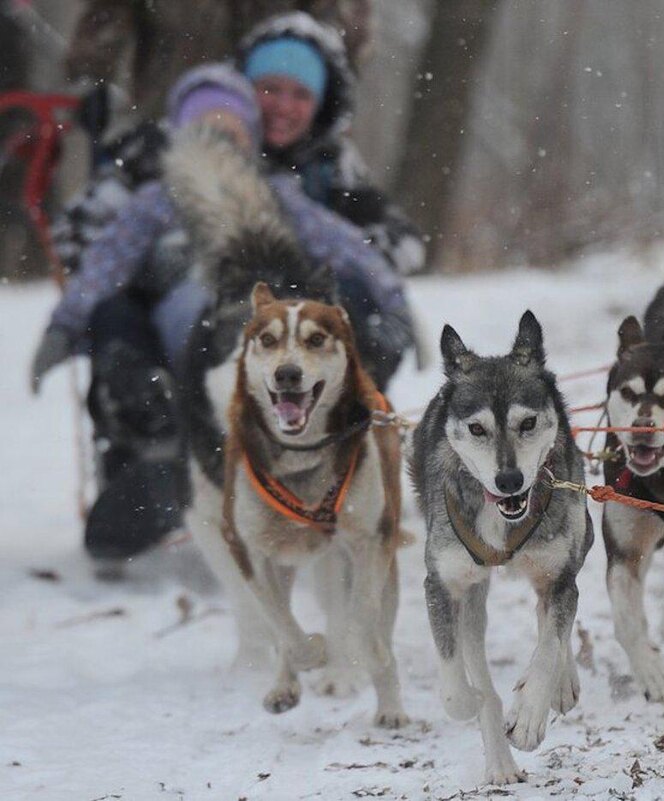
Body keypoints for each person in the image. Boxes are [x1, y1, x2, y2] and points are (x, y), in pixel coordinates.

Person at [29, 65, 413, 564]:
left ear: (250, 139)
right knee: (126, 326)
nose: (218, 145)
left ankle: (307, 451)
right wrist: (64, 326)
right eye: (205, 130)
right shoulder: (157, 199)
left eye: (231, 133)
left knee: (302, 316)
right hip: (180, 328)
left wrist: (395, 304)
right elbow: (105, 264)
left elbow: (346, 247)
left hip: (255, 322)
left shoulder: (272, 191)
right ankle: (168, 459)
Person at [237, 12, 426, 275]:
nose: (284, 107)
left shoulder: (331, 164)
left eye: (301, 95)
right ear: (243, 90)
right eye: (271, 89)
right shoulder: (215, 150)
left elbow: (404, 241)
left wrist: (350, 253)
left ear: (319, 105)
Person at [63, 0, 374, 118]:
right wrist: (91, 79)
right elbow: (107, 14)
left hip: (273, 135)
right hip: (165, 116)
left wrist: (328, 107)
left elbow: (341, 40)